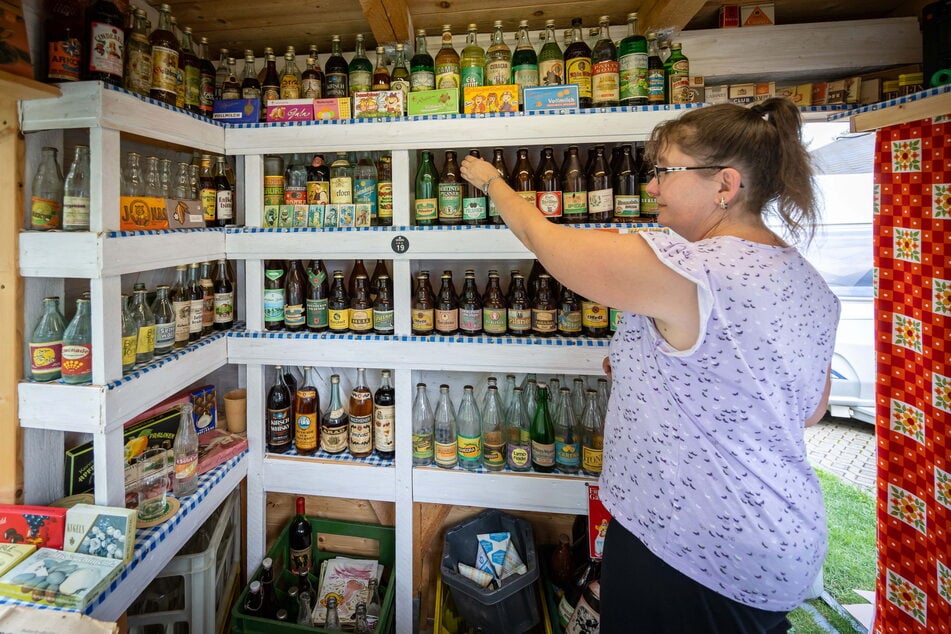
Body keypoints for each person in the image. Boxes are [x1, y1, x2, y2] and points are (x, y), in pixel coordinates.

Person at [459, 98, 840, 633]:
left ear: (724, 185)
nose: (653, 186)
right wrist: (653, 372)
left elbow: (543, 239)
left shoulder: (697, 267)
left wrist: (493, 182)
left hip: (694, 545)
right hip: (772, 538)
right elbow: (807, 409)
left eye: (664, 171)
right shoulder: (810, 284)